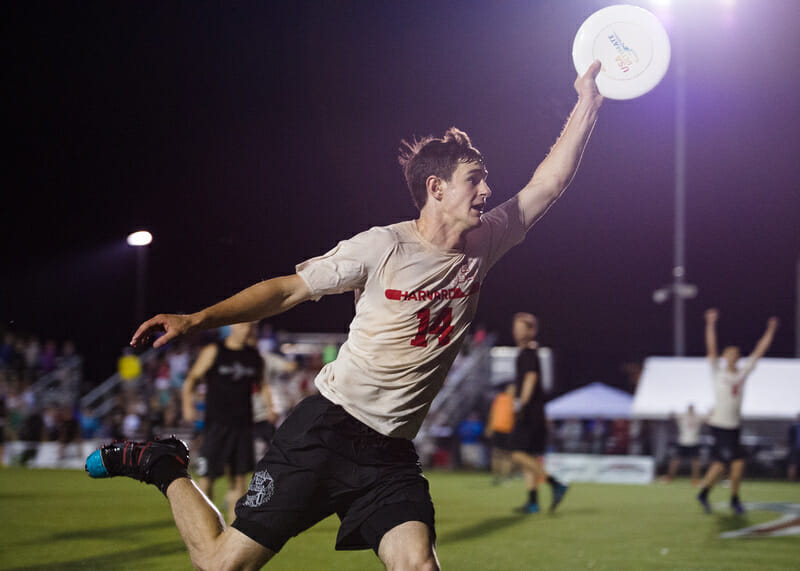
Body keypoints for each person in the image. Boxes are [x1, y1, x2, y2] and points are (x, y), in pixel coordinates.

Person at [85, 62, 604, 570]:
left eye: (486, 180)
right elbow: (287, 291)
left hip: (390, 453)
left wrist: (587, 102)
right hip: (326, 431)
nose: (488, 191)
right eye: (475, 180)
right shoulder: (382, 246)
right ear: (436, 189)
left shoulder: (484, 241)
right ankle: (162, 464)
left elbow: (548, 185)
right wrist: (196, 319)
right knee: (223, 564)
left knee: (418, 564)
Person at [182, 322, 268, 524]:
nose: (246, 328)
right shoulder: (215, 351)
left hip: (243, 425)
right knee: (207, 478)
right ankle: (203, 527)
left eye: (250, 325)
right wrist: (188, 404)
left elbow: (262, 384)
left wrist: (270, 407)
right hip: (216, 425)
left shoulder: (253, 356)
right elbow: (192, 378)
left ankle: (232, 532)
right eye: (242, 324)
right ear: (233, 326)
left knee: (239, 480)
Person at [696, 308, 778, 515]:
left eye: (735, 354)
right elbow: (711, 348)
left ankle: (730, 498)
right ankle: (707, 493)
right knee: (722, 464)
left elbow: (759, 351)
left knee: (738, 463)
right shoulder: (718, 372)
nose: (732, 357)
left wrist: (770, 330)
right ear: (725, 356)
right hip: (719, 425)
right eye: (729, 354)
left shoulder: (742, 373)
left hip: (734, 426)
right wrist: (710, 323)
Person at [508, 312, 568, 514]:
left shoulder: (529, 353)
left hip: (530, 411)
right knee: (529, 456)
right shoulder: (527, 352)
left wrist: (520, 404)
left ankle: (555, 483)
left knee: (516, 453)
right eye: (515, 327)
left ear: (531, 331)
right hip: (534, 411)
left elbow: (530, 379)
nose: (516, 331)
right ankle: (533, 502)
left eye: (520, 327)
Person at [663, 404, 705, 485]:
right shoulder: (684, 416)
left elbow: (707, 419)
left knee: (695, 462)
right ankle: (670, 477)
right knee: (676, 460)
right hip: (683, 441)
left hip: (693, 442)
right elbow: (673, 416)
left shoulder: (697, 417)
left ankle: (695, 479)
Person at [485, 383, 515, 485]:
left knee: (507, 455)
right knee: (496, 453)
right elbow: (492, 413)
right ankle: (496, 476)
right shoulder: (500, 398)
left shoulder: (516, 400)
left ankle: (505, 477)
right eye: (511, 388)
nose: (512, 390)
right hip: (498, 429)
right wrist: (489, 427)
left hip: (509, 430)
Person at [787, 413, 800, 481]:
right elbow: (790, 439)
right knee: (793, 465)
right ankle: (791, 480)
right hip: (795, 449)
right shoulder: (793, 427)